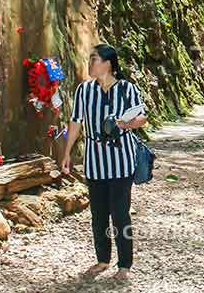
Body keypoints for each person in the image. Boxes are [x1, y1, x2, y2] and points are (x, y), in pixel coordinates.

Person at [62, 43, 148, 282]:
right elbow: (76, 122)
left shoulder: (127, 89)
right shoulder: (84, 90)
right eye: (89, 59)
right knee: (98, 214)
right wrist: (67, 152)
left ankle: (125, 264)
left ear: (108, 63)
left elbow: (142, 117)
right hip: (94, 160)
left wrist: (124, 124)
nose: (90, 63)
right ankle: (102, 259)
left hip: (121, 159)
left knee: (120, 214)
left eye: (94, 59)